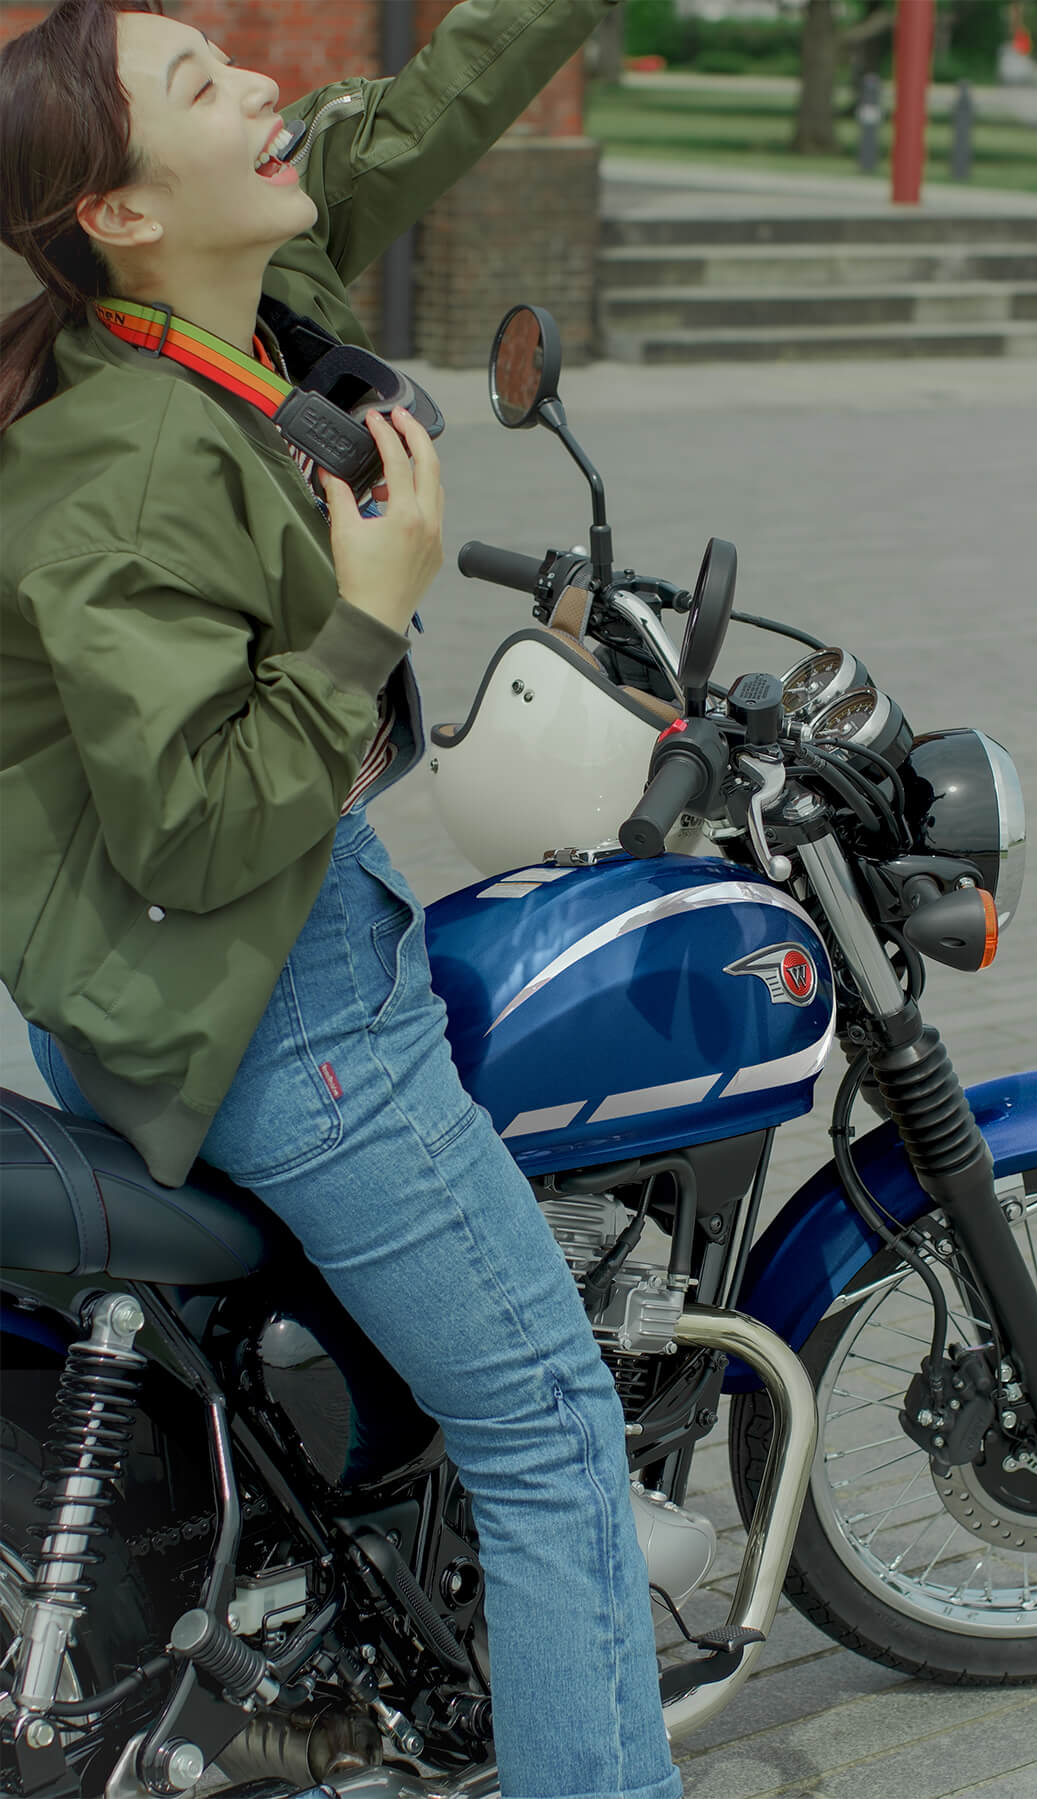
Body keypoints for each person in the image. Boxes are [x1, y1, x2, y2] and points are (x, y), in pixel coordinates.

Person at [0, 3, 684, 1797]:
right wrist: (370, 603)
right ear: (125, 214)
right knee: (545, 1427)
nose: (268, 90)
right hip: (279, 1011)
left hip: (227, 984)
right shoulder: (131, 456)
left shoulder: (226, 330)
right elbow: (197, 828)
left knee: (445, 1394)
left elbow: (403, 127)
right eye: (204, 88)